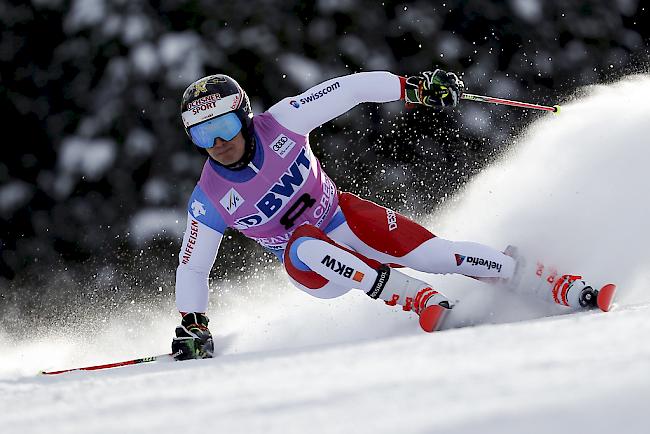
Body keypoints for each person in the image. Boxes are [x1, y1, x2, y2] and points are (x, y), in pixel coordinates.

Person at [171, 70, 602, 360]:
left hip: (345, 217)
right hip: (313, 267)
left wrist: (414, 88)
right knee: (303, 242)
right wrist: (194, 322)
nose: (218, 142)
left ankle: (535, 278)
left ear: (245, 117)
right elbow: (192, 266)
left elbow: (351, 88)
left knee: (436, 254)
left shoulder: (282, 122)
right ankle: (413, 296)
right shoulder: (208, 197)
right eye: (202, 134)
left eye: (223, 126)